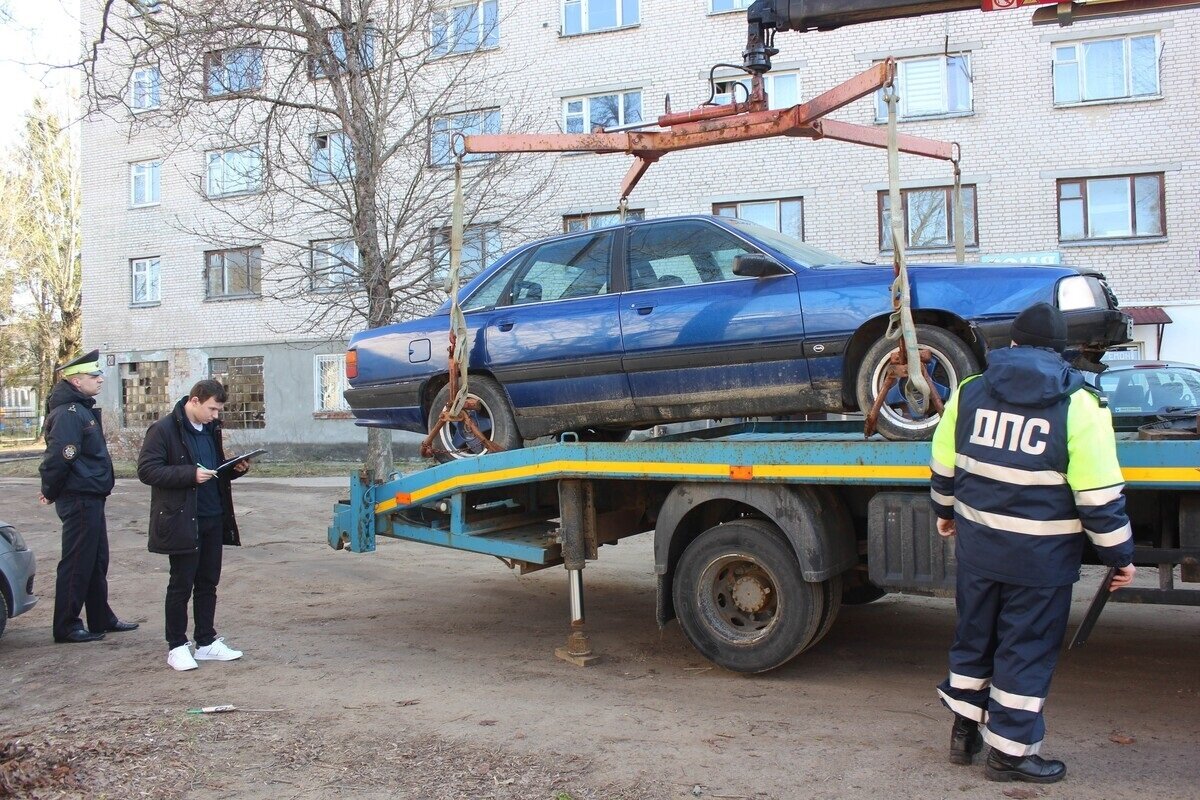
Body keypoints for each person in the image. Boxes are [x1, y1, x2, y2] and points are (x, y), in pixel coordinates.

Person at [929, 302, 1137, 784]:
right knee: (1024, 650)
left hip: (979, 550)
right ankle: (1010, 755)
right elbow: (1099, 497)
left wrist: (943, 514)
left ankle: (965, 734)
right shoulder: (1080, 404)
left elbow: (944, 463)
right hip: (1040, 563)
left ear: (1014, 344)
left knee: (974, 638)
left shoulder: (970, 392)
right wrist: (1119, 556)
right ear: (1060, 350)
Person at [137, 379, 249, 671]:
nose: (215, 415)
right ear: (195, 400)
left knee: (208, 582)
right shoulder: (163, 430)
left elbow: (214, 469)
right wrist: (189, 475)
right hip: (183, 519)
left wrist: (233, 469)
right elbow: (147, 471)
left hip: (213, 516)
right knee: (181, 583)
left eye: (218, 410)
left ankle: (206, 642)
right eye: (212, 408)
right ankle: (176, 646)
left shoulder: (211, 429)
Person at [39, 349, 139, 643]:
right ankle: (67, 625)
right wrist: (49, 489)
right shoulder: (69, 413)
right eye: (94, 376)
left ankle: (100, 617)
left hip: (91, 495)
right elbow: (61, 455)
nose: (100, 380)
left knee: (96, 559)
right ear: (76, 381)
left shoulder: (80, 409)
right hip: (79, 496)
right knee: (78, 562)